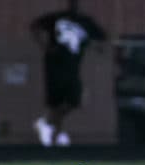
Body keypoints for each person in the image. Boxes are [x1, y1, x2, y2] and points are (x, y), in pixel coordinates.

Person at [31, 0, 106, 147]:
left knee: (75, 100)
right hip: (54, 64)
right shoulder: (58, 18)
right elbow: (35, 26)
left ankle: (48, 124)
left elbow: (102, 38)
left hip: (72, 67)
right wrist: (44, 46)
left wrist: (95, 47)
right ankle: (54, 132)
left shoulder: (86, 23)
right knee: (57, 101)